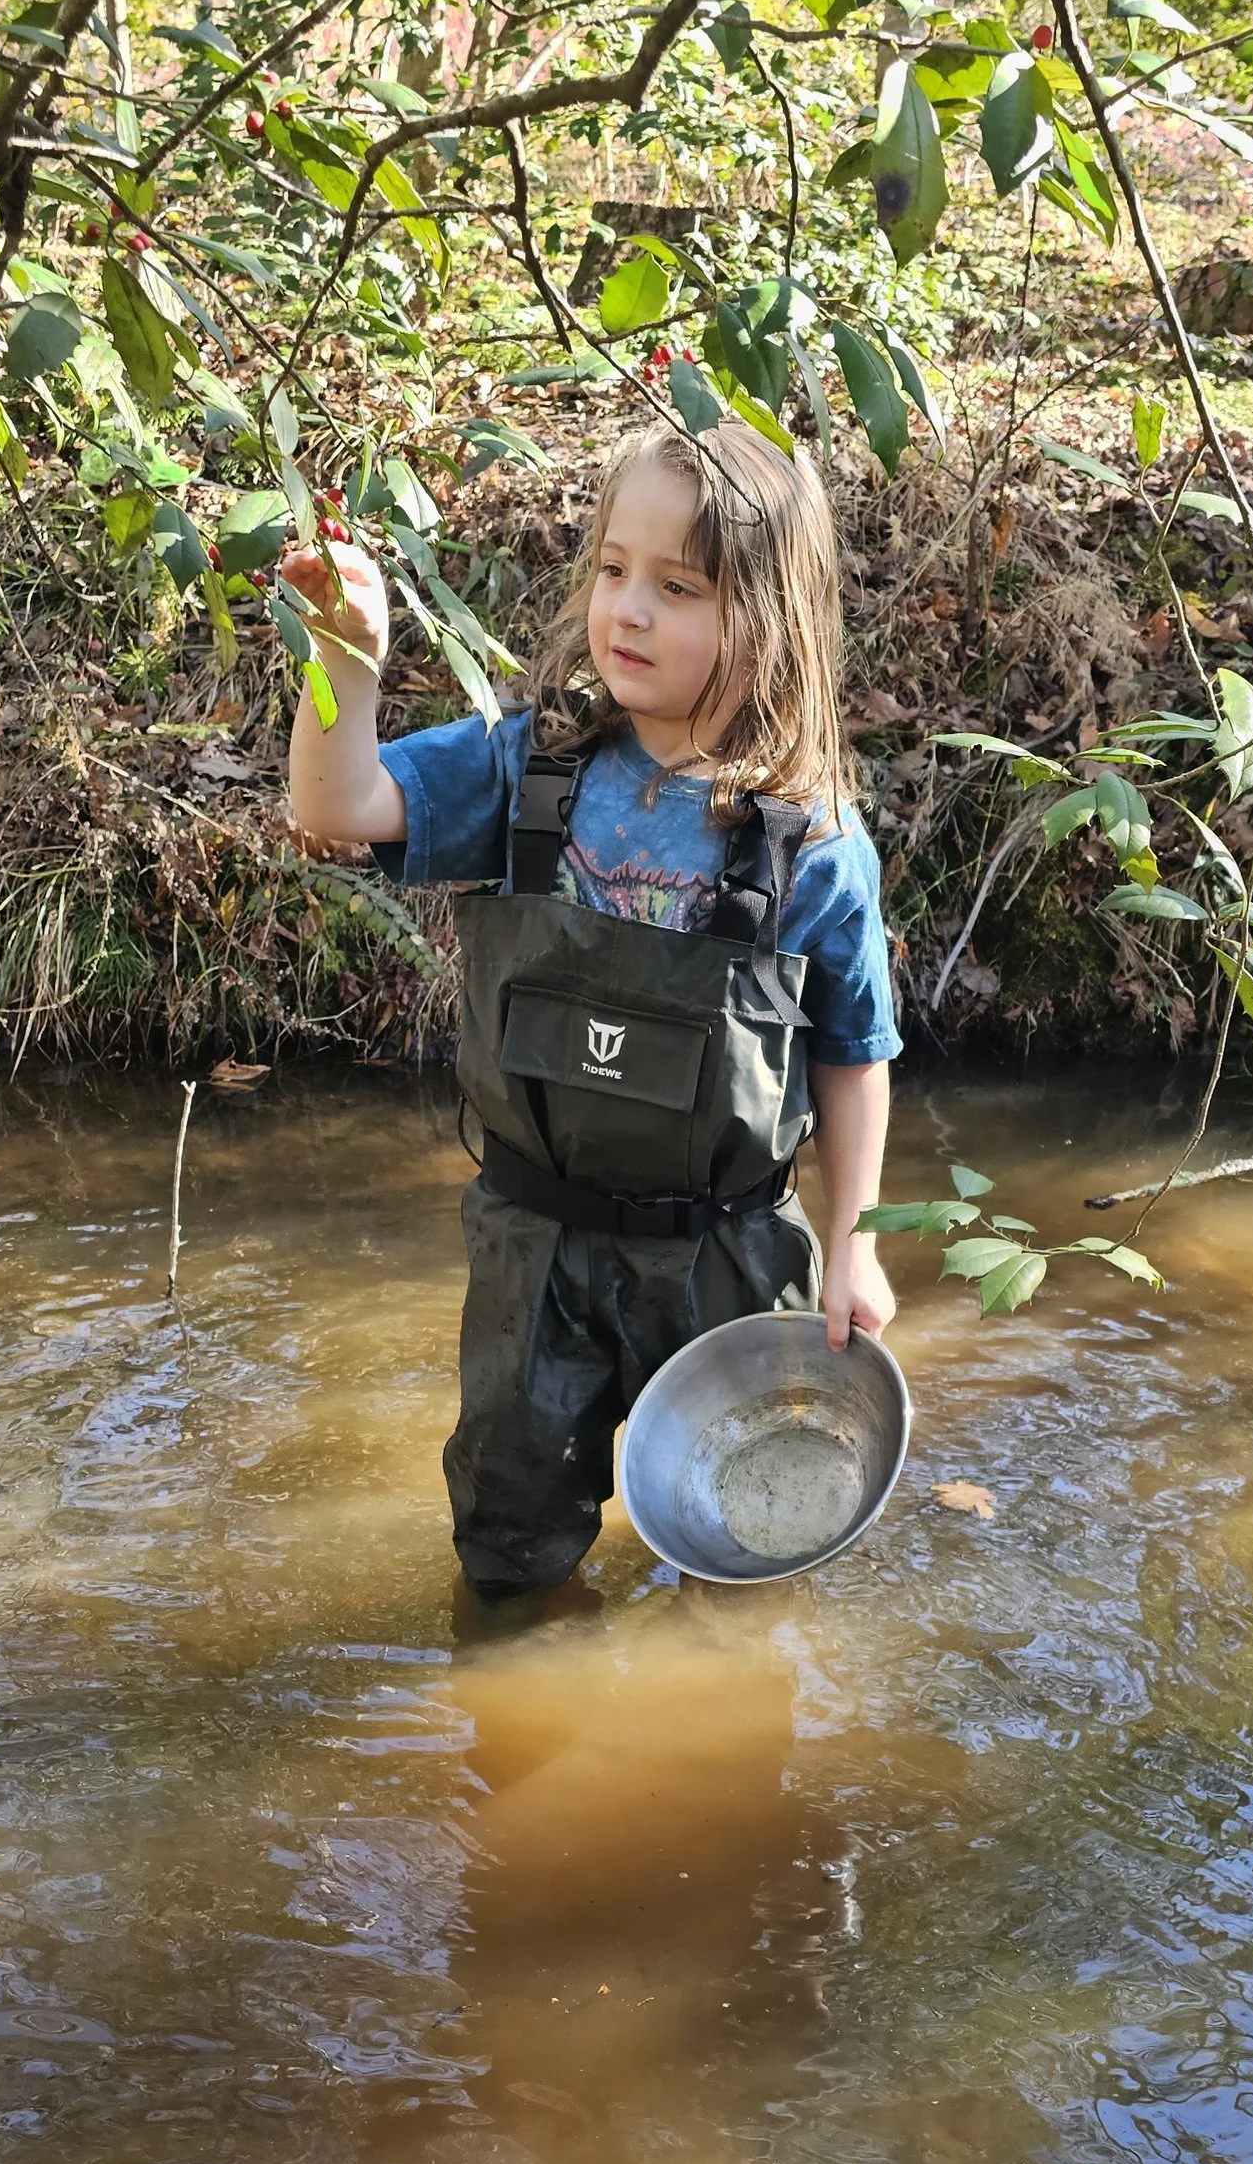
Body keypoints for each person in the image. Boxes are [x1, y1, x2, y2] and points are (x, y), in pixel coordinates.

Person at [284, 415, 901, 1600]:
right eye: (613, 569)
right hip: (534, 1245)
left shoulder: (809, 846)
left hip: (725, 1252)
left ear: (766, 624)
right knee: (507, 1546)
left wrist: (857, 1243)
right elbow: (336, 807)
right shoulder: (530, 768)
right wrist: (340, 662)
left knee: (745, 1542)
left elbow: (853, 1050)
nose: (625, 610)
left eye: (677, 588)